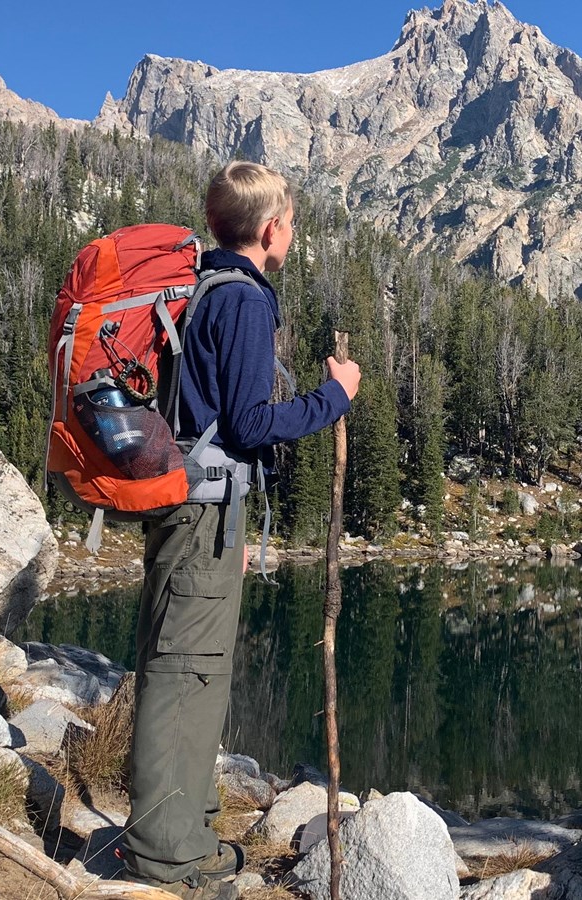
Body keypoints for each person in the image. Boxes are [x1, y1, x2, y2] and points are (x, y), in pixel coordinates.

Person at [120, 161, 361, 898]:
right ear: (268, 229)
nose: (293, 231)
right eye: (290, 220)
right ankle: (166, 853)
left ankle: (185, 826)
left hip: (189, 504)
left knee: (191, 663)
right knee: (187, 667)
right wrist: (332, 397)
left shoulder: (205, 287)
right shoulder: (247, 301)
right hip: (205, 512)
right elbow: (253, 423)